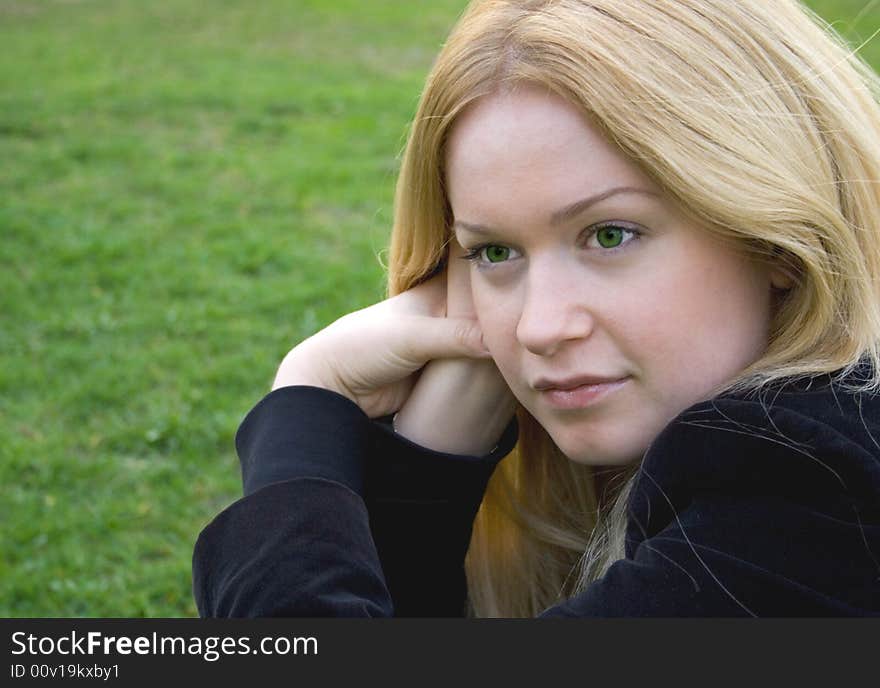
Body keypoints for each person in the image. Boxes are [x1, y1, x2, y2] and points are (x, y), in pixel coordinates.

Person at [192, 0, 880, 617]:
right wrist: (442, 440)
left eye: (611, 235)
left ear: (781, 242)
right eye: (494, 253)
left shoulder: (816, 481)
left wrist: (307, 411)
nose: (540, 326)